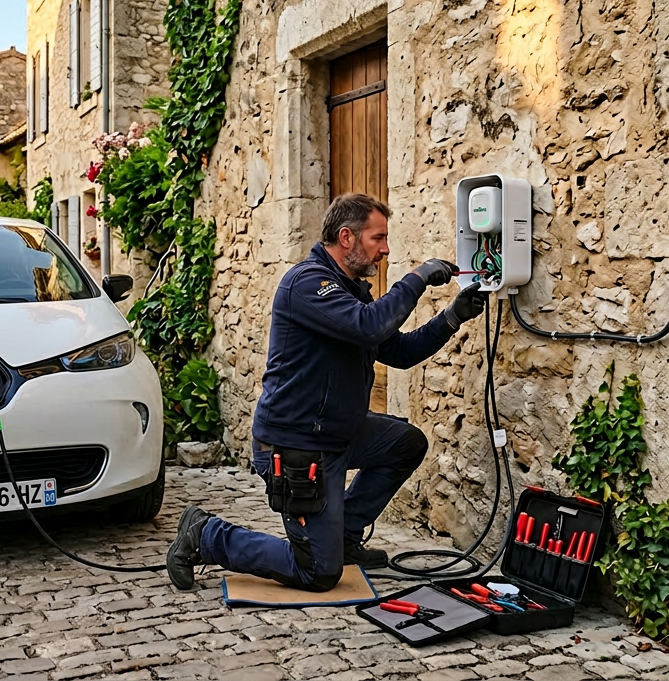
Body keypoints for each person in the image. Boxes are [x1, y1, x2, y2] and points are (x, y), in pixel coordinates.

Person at [165, 193, 488, 592]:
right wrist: (418, 277)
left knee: (405, 443)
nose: (385, 249)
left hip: (337, 433)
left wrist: (452, 317)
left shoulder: (350, 291)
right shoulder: (306, 284)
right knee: (318, 573)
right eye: (378, 238)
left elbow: (398, 352)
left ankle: (344, 537)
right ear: (347, 237)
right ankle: (206, 535)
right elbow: (369, 326)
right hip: (296, 445)